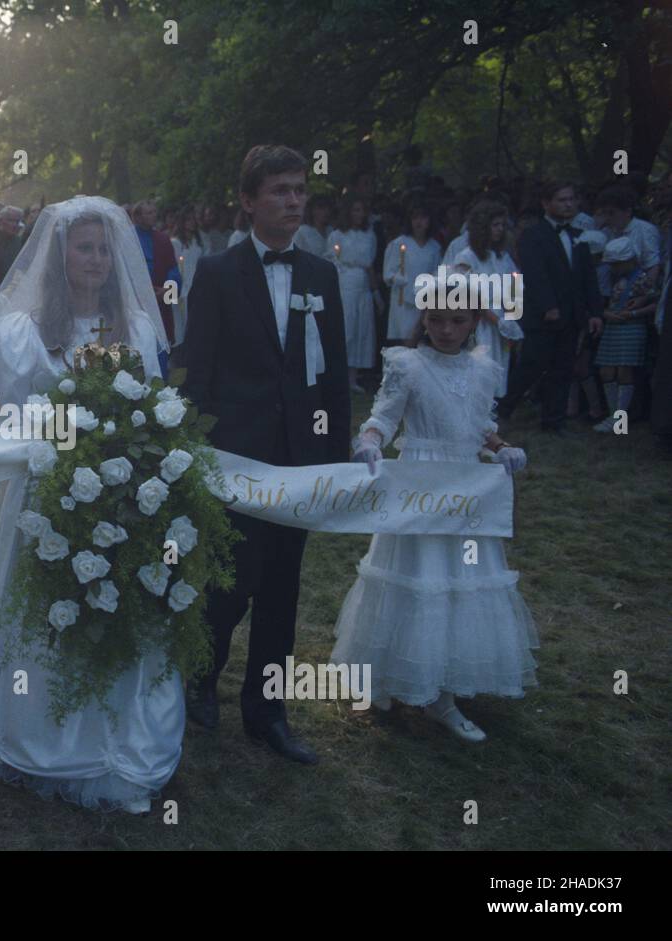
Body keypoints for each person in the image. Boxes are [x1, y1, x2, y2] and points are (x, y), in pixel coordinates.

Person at [0, 195, 174, 812]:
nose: (97, 259)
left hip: (123, 490)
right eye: (84, 247)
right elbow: (9, 418)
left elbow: (151, 412)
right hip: (48, 487)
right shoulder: (22, 332)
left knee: (111, 596)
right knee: (44, 598)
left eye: (105, 249)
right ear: (59, 254)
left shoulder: (136, 327)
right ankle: (33, 729)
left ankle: (110, 737)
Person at [184, 145, 350, 764]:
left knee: (282, 589)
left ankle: (267, 713)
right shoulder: (218, 273)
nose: (292, 200)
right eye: (279, 190)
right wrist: (195, 455)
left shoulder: (321, 275)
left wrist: (333, 459)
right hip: (235, 459)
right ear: (249, 201)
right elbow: (197, 373)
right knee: (229, 583)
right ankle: (200, 677)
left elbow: (333, 376)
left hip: (300, 459)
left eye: (299, 190)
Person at [335, 301, 536, 742]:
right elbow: (384, 417)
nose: (446, 330)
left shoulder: (482, 369)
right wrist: (369, 442)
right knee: (414, 572)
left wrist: (499, 446)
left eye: (458, 321)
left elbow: (477, 422)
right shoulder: (408, 365)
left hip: (464, 487)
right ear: (424, 320)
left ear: (472, 324)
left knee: (458, 577)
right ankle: (390, 673)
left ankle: (441, 687)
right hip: (420, 482)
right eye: (437, 320)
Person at [499, 181, 603, 433]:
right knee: (532, 364)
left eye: (571, 199)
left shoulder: (579, 236)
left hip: (572, 314)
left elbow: (588, 277)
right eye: (561, 199)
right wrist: (548, 305)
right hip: (542, 315)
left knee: (563, 368)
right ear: (546, 203)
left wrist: (595, 312)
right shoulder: (534, 235)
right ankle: (502, 411)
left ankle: (554, 421)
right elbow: (535, 274)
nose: (568, 204)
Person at [451, 200, 522, 397]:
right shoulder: (467, 257)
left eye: (502, 225)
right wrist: (497, 321)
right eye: (495, 225)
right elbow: (468, 296)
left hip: (500, 323)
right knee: (477, 376)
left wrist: (511, 320)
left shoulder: (502, 257)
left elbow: (514, 288)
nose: (500, 230)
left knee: (497, 378)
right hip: (479, 324)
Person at [593, 237, 658, 432]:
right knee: (606, 371)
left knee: (624, 372)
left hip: (632, 327)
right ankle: (613, 416)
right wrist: (606, 314)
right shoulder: (610, 278)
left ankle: (620, 420)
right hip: (613, 326)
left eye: (618, 264)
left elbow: (656, 302)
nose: (614, 268)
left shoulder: (643, 278)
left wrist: (633, 313)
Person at [328, 193, 379, 392]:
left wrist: (375, 293)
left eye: (362, 210)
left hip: (363, 284)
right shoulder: (338, 234)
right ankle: (337, 376)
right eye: (356, 210)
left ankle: (352, 378)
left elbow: (370, 263)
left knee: (361, 330)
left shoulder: (369, 234)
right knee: (346, 330)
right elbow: (332, 259)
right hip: (345, 282)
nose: (360, 214)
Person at [131, 199, 181, 365]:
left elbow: (174, 270)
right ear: (137, 217)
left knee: (162, 348)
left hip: (160, 304)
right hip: (136, 304)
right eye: (149, 213)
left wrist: (166, 292)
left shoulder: (163, 239)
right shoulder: (127, 239)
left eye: (154, 212)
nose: (154, 216)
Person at [383, 202, 441, 343]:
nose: (419, 222)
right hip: (402, 303)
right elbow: (388, 274)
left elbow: (438, 274)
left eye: (423, 218)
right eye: (415, 218)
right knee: (403, 343)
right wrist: (398, 279)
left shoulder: (434, 247)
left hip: (423, 302)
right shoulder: (399, 243)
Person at [170, 204, 204, 347]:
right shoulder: (176, 242)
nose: (192, 223)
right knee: (181, 321)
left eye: (193, 220)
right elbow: (172, 268)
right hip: (180, 288)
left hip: (196, 285)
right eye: (188, 220)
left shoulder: (197, 241)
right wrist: (172, 293)